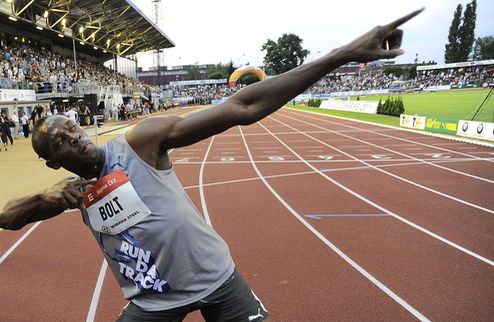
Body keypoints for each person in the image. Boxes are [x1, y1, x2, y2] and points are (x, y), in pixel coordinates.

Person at [0, 9, 423, 321]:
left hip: (216, 279)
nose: (75, 138)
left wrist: (343, 53)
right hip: (153, 301)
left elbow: (244, 106)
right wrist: (45, 197)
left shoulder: (139, 143)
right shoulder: (69, 192)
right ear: (54, 162)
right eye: (62, 142)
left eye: (73, 128)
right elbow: (6, 218)